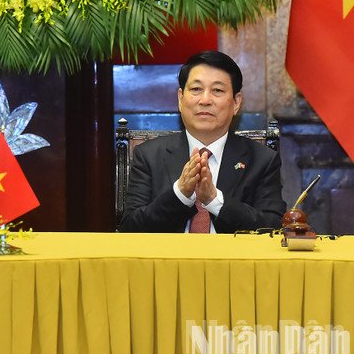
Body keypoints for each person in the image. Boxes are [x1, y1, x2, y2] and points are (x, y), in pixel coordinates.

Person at [119, 51, 285, 233]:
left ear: (236, 102)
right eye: (196, 89)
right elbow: (130, 229)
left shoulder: (262, 160)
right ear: (180, 99)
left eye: (218, 90)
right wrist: (180, 195)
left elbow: (273, 229)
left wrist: (214, 200)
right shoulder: (149, 155)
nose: (205, 100)